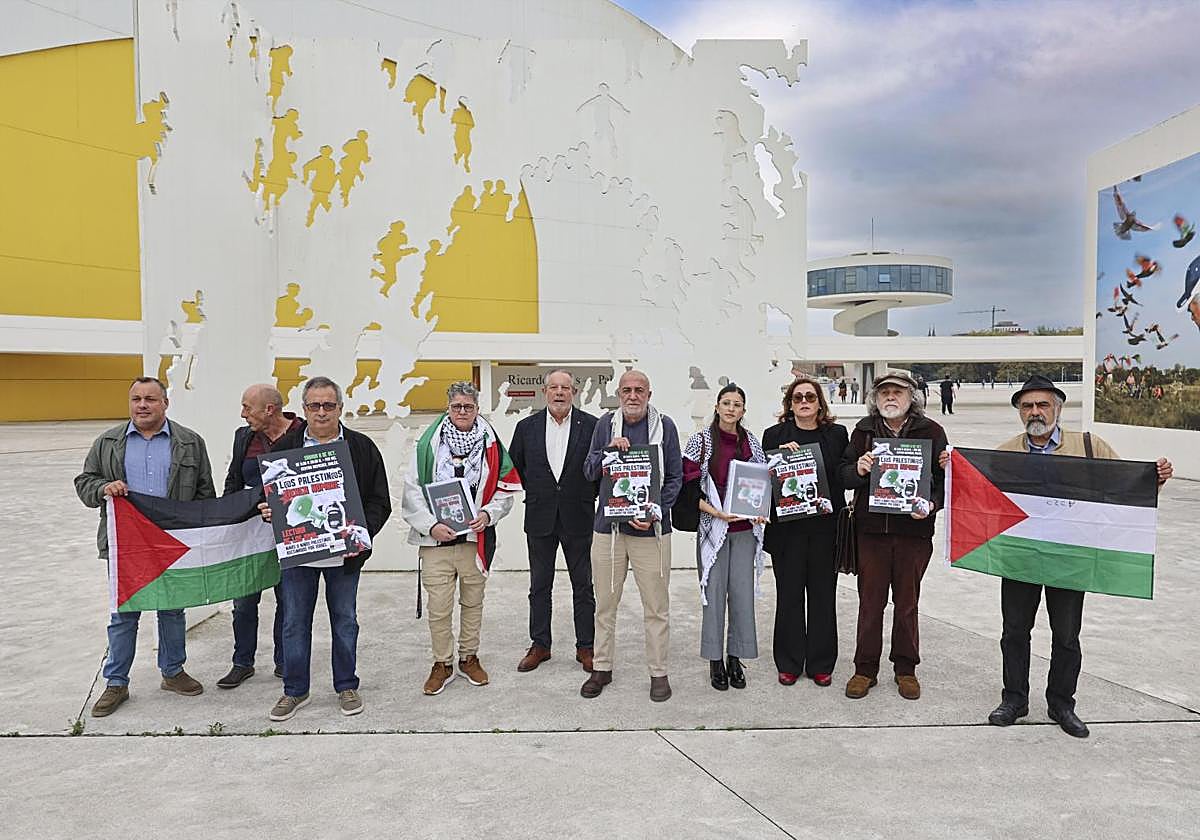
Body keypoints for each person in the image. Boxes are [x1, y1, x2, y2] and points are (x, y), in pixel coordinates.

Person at [954, 375, 1173, 738]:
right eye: (1027, 406)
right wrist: (953, 468)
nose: (1035, 412)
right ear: (1019, 412)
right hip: (1021, 559)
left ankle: (1061, 703)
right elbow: (979, 494)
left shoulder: (1088, 445)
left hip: (1070, 560)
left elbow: (1125, 484)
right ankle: (1014, 700)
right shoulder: (1007, 450)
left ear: (1058, 407)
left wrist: (1157, 478)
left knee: (1067, 635)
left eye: (1042, 404)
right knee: (1014, 633)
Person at [75, 377, 216, 717]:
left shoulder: (190, 443)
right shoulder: (108, 442)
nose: (142, 405)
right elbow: (84, 483)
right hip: (127, 545)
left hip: (172, 543)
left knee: (171, 610)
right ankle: (116, 683)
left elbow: (204, 494)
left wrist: (198, 537)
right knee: (124, 614)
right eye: (136, 398)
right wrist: (104, 487)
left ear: (165, 403)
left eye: (150, 399)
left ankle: (172, 672)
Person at [264, 376, 391, 721]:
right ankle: (294, 691)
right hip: (298, 557)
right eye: (314, 405)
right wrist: (268, 511)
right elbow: (268, 500)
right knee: (293, 623)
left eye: (328, 405)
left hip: (345, 558)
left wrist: (361, 536)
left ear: (339, 408)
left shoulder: (362, 448)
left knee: (346, 621)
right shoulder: (282, 451)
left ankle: (346, 685)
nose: (321, 412)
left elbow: (380, 501)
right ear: (303, 409)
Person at [402, 381, 520, 696]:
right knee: (439, 607)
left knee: (472, 602)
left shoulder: (491, 443)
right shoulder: (428, 444)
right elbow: (411, 490)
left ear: (477, 408)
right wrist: (430, 526)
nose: (463, 411)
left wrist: (488, 515)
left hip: (473, 540)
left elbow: (504, 490)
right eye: (457, 406)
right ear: (448, 408)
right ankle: (442, 663)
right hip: (437, 542)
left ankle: (469, 657)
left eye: (468, 406)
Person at [840, 371, 947, 701]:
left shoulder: (932, 431)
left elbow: (944, 481)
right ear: (875, 397)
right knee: (870, 603)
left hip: (913, 533)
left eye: (897, 392)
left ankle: (906, 669)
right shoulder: (864, 431)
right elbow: (842, 474)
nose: (890, 397)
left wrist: (932, 503)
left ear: (910, 397)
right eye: (884, 391)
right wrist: (857, 470)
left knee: (907, 604)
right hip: (870, 532)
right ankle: (864, 669)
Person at [581, 369, 683, 701]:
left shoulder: (664, 426)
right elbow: (588, 471)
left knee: (656, 606)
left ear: (649, 394)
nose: (633, 395)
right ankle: (602, 667)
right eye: (627, 390)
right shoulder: (604, 426)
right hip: (608, 531)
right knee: (605, 605)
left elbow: (675, 479)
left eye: (640, 389)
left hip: (650, 533)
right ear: (619, 394)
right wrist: (607, 450)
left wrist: (654, 511)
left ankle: (658, 673)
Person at [508, 370, 599, 673]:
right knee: (539, 586)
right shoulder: (526, 427)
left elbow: (600, 468)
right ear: (544, 391)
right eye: (554, 387)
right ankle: (540, 645)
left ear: (575, 391)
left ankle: (586, 647)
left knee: (583, 587)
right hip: (540, 517)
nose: (560, 392)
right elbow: (515, 467)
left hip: (579, 516)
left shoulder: (593, 426)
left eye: (566, 387)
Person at [761, 376, 849, 687]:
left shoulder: (837, 434)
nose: (804, 402)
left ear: (819, 402)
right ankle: (789, 662)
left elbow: (844, 476)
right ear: (789, 404)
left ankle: (821, 663)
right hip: (788, 532)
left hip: (826, 530)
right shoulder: (773, 435)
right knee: (789, 596)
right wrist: (782, 459)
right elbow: (764, 482)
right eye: (797, 398)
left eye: (810, 397)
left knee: (823, 597)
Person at [683, 384, 767, 691]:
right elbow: (686, 487)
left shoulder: (752, 443)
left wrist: (759, 509)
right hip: (713, 529)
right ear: (717, 406)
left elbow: (761, 484)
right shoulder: (701, 441)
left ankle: (736, 657)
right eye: (726, 403)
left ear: (744, 411)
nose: (731, 408)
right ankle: (715, 661)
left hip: (745, 531)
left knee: (743, 597)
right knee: (714, 596)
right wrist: (716, 513)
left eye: (737, 404)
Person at [217, 384, 302, 689]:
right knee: (243, 601)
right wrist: (226, 517)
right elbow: (233, 479)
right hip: (249, 532)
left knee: (288, 600)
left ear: (269, 409)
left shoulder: (302, 434)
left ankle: (284, 660)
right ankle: (242, 663)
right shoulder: (245, 437)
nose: (243, 414)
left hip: (289, 533)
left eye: (247, 407)